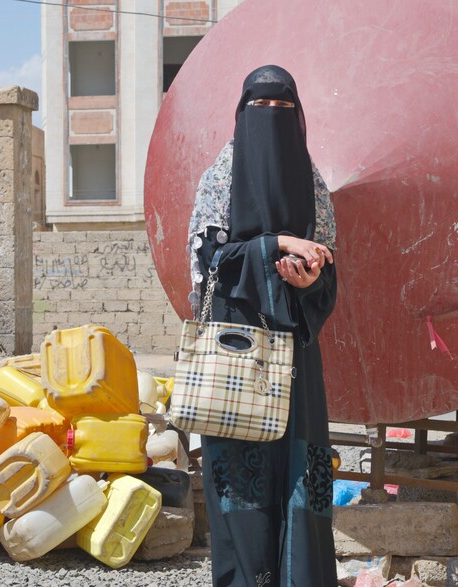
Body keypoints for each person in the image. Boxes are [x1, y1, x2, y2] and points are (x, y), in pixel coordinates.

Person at [187, 65, 338, 586]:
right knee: (240, 485)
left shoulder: (312, 184)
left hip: (297, 361)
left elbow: (328, 272)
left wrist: (309, 281)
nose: (271, 117)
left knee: (303, 477)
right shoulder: (220, 178)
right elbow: (209, 261)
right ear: (242, 113)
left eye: (283, 107)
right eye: (261, 106)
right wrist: (276, 244)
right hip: (236, 355)